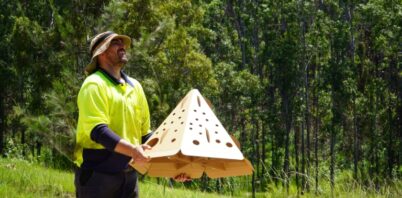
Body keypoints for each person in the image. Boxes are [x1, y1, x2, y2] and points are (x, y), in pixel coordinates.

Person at [74, 31, 189, 198]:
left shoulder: (135, 87)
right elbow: (98, 131)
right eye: (116, 43)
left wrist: (172, 167)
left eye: (123, 42)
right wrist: (134, 151)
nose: (123, 46)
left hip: (129, 177)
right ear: (102, 52)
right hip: (97, 177)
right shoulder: (94, 84)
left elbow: (146, 137)